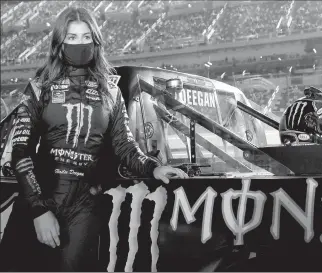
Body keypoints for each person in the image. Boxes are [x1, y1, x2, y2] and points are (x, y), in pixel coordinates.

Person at [0, 7, 188, 272]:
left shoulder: (111, 90)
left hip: (84, 208)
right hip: (39, 198)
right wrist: (38, 210)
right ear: (59, 42)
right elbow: (21, 151)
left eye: (86, 36)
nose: (80, 44)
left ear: (96, 40)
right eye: (72, 37)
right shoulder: (40, 86)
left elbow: (125, 146)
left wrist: (153, 167)